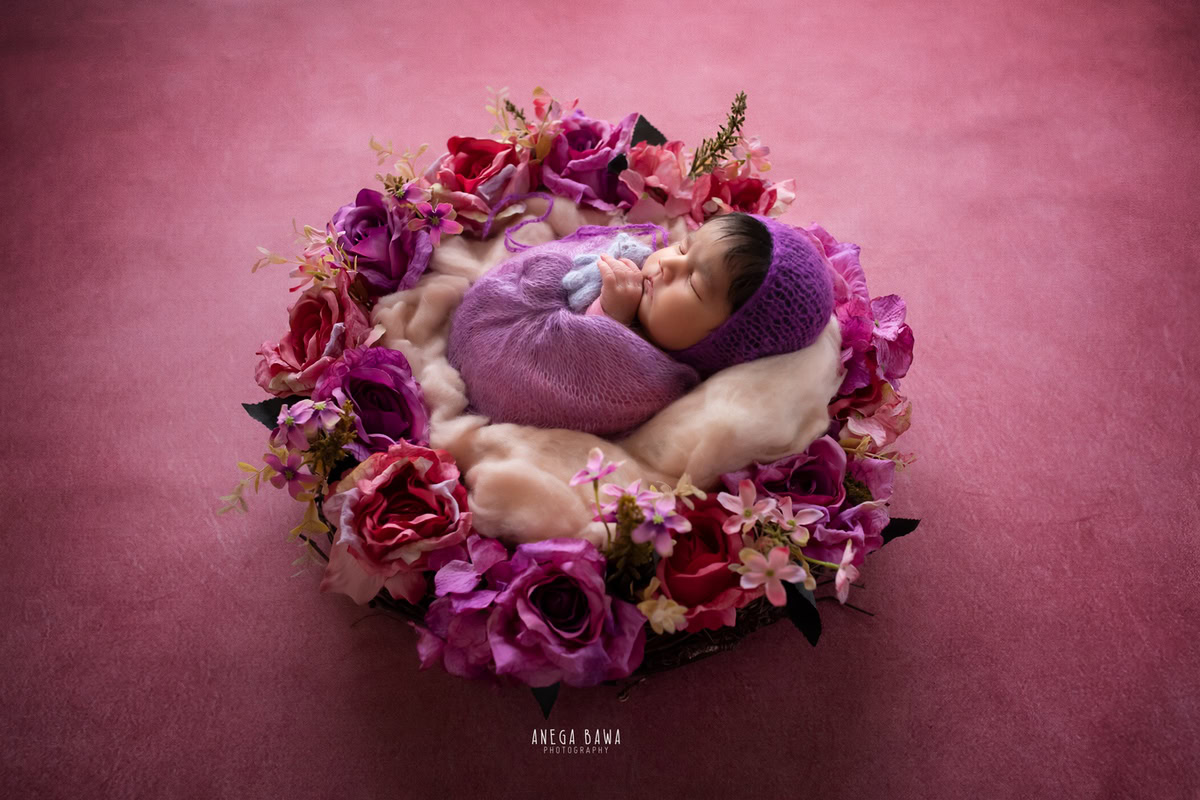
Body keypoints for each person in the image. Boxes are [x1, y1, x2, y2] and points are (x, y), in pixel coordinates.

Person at [446, 211, 834, 436]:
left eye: (695, 284)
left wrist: (608, 317)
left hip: (505, 362)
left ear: (719, 343)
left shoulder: (655, 383)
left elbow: (573, 382)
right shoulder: (645, 264)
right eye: (685, 246)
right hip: (496, 317)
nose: (667, 263)